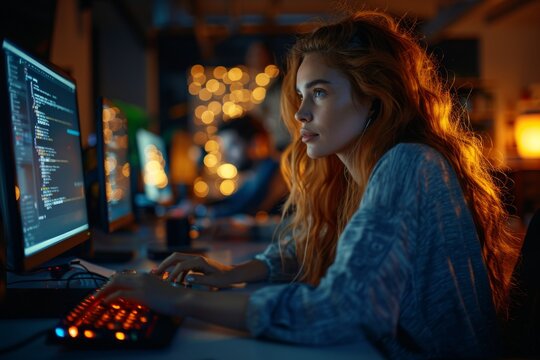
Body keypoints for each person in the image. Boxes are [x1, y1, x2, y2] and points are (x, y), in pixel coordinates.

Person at [97, 10, 521, 358]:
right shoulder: (363, 173)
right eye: (301, 96)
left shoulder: (408, 164)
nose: (300, 114)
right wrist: (239, 270)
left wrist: (178, 300)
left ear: (372, 95)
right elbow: (311, 241)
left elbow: (342, 311)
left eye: (318, 93)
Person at [196, 114, 287, 218]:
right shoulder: (255, 175)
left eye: (233, 145)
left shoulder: (276, 168)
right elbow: (234, 201)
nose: (226, 156)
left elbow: (246, 208)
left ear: (256, 143)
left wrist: (204, 212)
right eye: (224, 149)